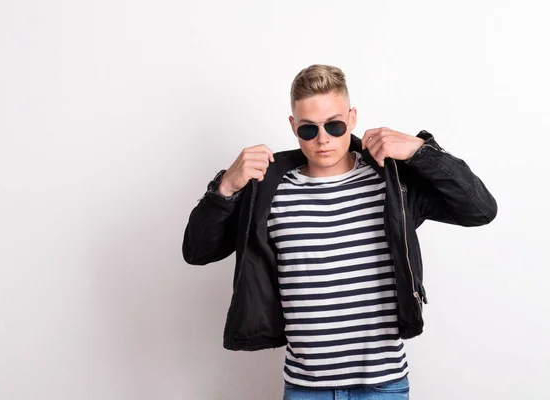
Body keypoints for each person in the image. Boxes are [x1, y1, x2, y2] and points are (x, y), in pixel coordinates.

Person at [182, 64, 497, 399]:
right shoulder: (270, 189)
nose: (323, 139)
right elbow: (197, 251)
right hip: (306, 389)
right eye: (308, 130)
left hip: (383, 386)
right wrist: (226, 186)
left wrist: (421, 151)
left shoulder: (390, 181)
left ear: (352, 118)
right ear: (293, 126)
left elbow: (480, 210)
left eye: (334, 125)